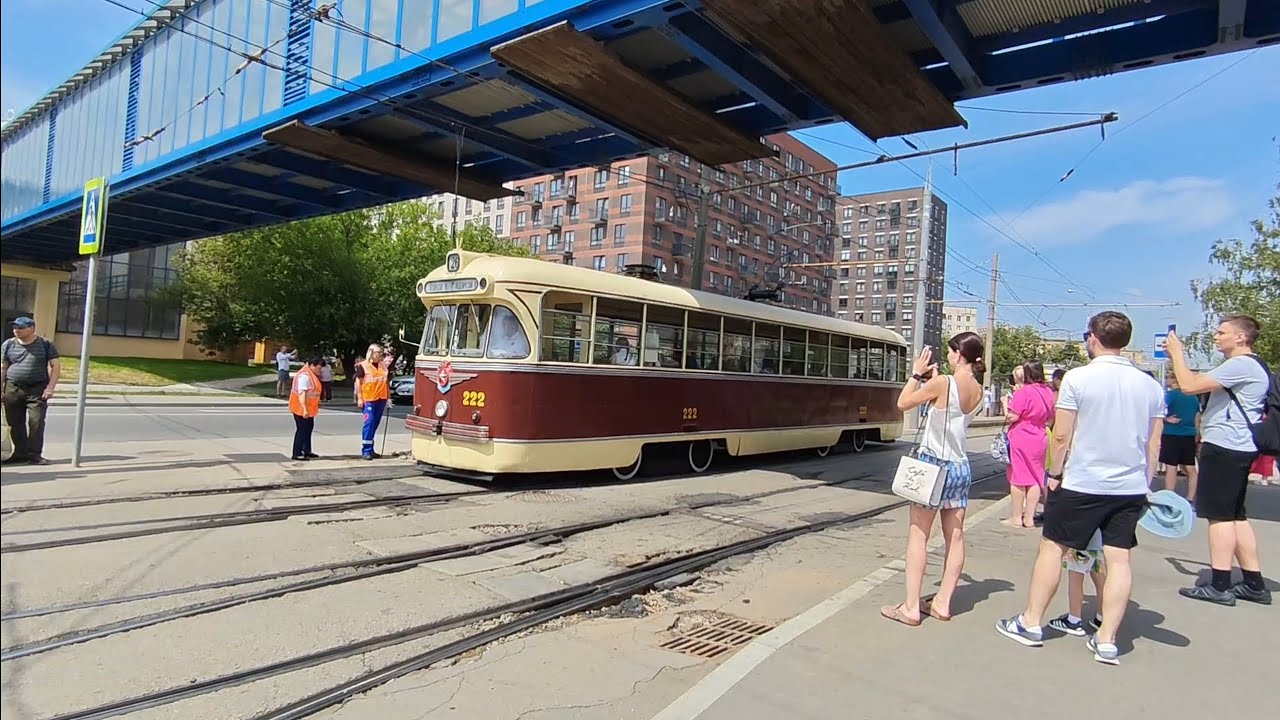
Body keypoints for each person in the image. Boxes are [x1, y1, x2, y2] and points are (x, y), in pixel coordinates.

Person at [996, 311, 1163, 666]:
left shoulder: (1078, 378)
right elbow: (1153, 444)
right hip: (1129, 486)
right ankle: (1106, 640)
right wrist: (1144, 483)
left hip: (1083, 481)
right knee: (1119, 558)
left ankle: (1031, 623)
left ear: (1093, 338)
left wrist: (1054, 474)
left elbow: (1061, 434)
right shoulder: (1150, 385)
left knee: (1053, 548)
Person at [880, 331, 985, 626]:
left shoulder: (944, 383)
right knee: (955, 536)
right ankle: (942, 603)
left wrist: (917, 373)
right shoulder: (978, 389)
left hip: (933, 466)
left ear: (959, 355)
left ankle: (911, 607)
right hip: (960, 467)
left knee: (918, 534)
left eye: (952, 352)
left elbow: (903, 403)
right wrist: (936, 380)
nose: (949, 356)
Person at [1167, 316, 1271, 605]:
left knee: (1220, 517)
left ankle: (1220, 584)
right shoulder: (1256, 365)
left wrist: (1177, 354)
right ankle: (1253, 582)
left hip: (1225, 446)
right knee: (1236, 515)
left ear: (1241, 337)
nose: (1215, 336)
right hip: (1239, 446)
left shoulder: (1241, 365)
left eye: (1222, 332)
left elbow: (1188, 385)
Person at [1, 317, 60, 465]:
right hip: (13, 388)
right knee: (14, 422)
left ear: (31, 328)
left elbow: (55, 366)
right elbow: (3, 367)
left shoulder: (45, 344)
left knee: (36, 421)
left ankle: (34, 454)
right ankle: (20, 453)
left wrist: (50, 387)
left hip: (37, 389)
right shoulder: (8, 344)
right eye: (15, 327)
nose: (16, 330)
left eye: (20, 327)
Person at [1004, 361, 1055, 528]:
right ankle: (1030, 518)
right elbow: (1050, 417)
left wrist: (1006, 406)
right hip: (1040, 436)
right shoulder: (1047, 391)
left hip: (1021, 436)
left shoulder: (1024, 392)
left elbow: (1013, 417)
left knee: (1018, 477)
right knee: (1035, 477)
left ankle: (1017, 517)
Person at [1049, 529, 1107, 637]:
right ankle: (1102, 617)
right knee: (1099, 576)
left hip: (1083, 537)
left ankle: (1074, 619)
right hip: (1101, 539)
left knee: (1076, 576)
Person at [1159, 375, 1200, 501]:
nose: (1166, 381)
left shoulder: (1171, 395)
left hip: (1172, 432)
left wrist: (1166, 419)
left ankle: (1169, 497)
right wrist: (1197, 434)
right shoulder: (1193, 397)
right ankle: (1190, 497)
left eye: (1168, 378)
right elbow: (1197, 417)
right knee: (1190, 467)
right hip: (1189, 434)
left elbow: (1158, 409)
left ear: (1173, 380)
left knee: (1171, 466)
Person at [353, 343, 391, 460]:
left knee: (374, 424)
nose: (381, 355)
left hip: (381, 398)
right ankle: (366, 450)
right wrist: (359, 398)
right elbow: (358, 383)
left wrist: (388, 397)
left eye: (382, 353)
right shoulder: (363, 366)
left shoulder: (383, 366)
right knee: (369, 424)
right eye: (379, 352)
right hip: (368, 398)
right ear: (371, 353)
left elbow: (385, 382)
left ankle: (371, 448)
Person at [290, 358, 323, 461]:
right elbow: (302, 393)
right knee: (302, 430)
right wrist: (304, 408)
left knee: (308, 428)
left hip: (309, 408)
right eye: (318, 368)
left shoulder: (311, 375)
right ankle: (297, 453)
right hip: (300, 408)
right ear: (312, 365)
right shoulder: (305, 376)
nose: (320, 370)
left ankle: (306, 450)